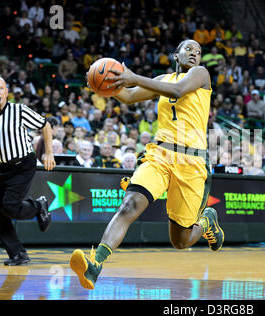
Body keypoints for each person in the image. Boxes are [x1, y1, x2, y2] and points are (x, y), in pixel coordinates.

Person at [70, 39, 224, 290]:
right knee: (129, 204)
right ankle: (95, 265)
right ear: (175, 55)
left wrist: (133, 75)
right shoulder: (163, 79)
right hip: (160, 154)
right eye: (188, 49)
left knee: (180, 241)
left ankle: (206, 220)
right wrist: (104, 85)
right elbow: (129, 96)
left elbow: (176, 91)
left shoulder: (200, 74)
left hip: (192, 161)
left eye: (198, 51)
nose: (195, 54)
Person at [0, 76, 55, 266]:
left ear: (6, 91)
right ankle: (18, 254)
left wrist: (49, 153)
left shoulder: (18, 110)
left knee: (9, 206)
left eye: (1, 88)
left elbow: (45, 125)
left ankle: (38, 206)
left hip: (22, 165)